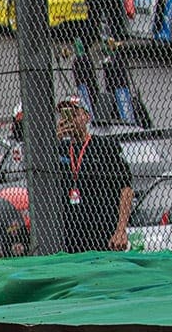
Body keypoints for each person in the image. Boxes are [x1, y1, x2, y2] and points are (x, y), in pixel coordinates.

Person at [54, 96, 134, 252]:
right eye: (65, 115)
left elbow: (126, 189)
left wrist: (121, 229)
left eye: (75, 114)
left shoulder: (104, 146)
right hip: (69, 235)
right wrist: (54, 139)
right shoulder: (58, 148)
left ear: (86, 117)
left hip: (102, 232)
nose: (70, 120)